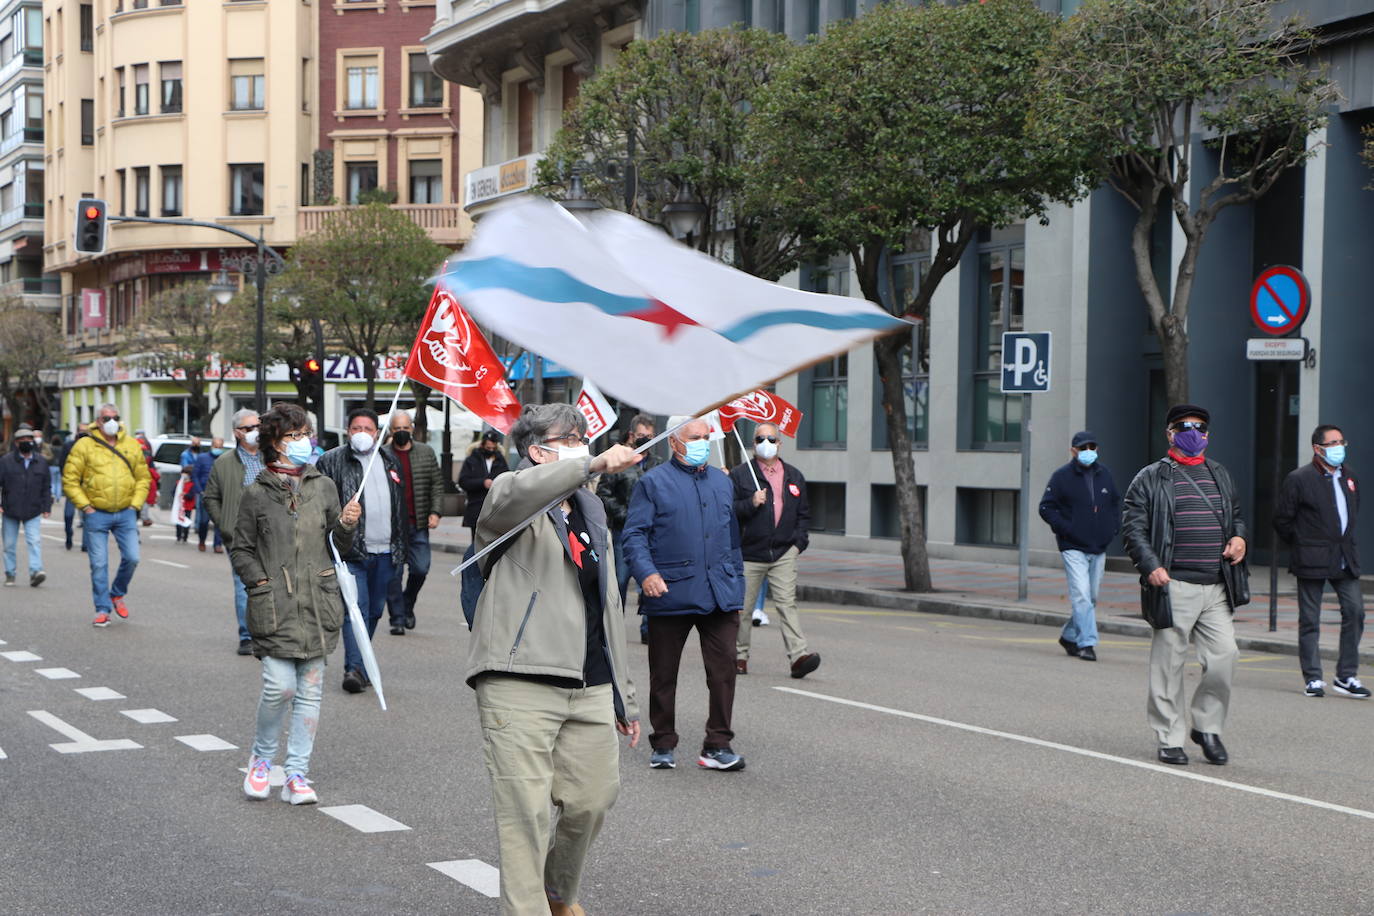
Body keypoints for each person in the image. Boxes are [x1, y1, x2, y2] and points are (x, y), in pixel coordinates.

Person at [467, 403, 641, 916]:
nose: (581, 443)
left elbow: (606, 606)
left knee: (592, 799)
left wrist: (623, 697)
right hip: (518, 678)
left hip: (588, 682)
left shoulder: (591, 510)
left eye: (583, 436)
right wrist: (589, 465)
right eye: (568, 438)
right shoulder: (508, 494)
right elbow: (519, 494)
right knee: (524, 815)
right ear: (536, 451)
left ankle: (556, 892)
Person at [233, 402, 362, 807]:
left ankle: (296, 774)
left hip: (317, 604)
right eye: (294, 435)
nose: (303, 442)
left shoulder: (322, 485)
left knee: (310, 691)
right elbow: (242, 548)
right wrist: (260, 583)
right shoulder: (256, 492)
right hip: (274, 607)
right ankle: (261, 760)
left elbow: (337, 546)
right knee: (279, 688)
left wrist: (346, 524)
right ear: (274, 442)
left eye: (305, 434)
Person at [1122, 404, 1248, 767]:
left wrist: (1239, 538)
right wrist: (1150, 566)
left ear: (1207, 435)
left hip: (1217, 586)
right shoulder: (1150, 477)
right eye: (1184, 426)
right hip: (1173, 583)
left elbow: (1236, 517)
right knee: (1168, 665)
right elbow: (1133, 528)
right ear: (1170, 434)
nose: (1193, 432)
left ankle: (1207, 727)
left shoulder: (1219, 473)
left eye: (1200, 427)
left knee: (1226, 656)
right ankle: (1169, 736)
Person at [622, 415, 746, 772]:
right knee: (664, 674)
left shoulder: (723, 484)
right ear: (674, 442)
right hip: (670, 591)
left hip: (720, 592)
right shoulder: (652, 483)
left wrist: (736, 579)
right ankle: (663, 743)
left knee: (724, 670)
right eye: (694, 437)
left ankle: (718, 745)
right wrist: (646, 573)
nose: (702, 443)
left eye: (706, 437)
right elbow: (634, 536)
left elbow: (732, 537)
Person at [1274, 424, 1369, 699]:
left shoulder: (1350, 477)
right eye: (1333, 443)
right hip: (1311, 558)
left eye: (1342, 441)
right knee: (1310, 619)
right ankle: (1313, 678)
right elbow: (1282, 520)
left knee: (1355, 612)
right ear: (1318, 449)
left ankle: (1346, 675)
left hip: (1344, 557)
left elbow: (1352, 512)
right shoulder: (1299, 478)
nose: (1340, 447)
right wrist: (1303, 542)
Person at [316, 407, 407, 694]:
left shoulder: (390, 460)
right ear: (347, 431)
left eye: (368, 429)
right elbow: (319, 505)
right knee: (356, 610)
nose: (362, 435)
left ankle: (361, 663)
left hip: (386, 551)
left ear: (378, 433)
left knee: (375, 611)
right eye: (357, 429)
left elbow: (400, 508)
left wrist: (401, 547)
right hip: (352, 551)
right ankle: (354, 668)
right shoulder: (331, 461)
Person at [729, 422, 818, 678]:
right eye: (759, 439)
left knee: (787, 604)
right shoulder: (741, 474)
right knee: (743, 608)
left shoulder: (794, 475)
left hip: (783, 551)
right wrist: (750, 502)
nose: (765, 443)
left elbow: (803, 513)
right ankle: (739, 656)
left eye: (770, 438)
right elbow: (729, 510)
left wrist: (798, 543)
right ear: (753, 443)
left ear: (779, 443)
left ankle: (798, 656)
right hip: (749, 552)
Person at [62, 403, 151, 627]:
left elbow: (143, 477)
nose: (111, 421)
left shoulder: (131, 444)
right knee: (99, 564)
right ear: (98, 421)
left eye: (115, 417)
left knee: (133, 557)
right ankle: (102, 609)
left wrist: (135, 505)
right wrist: (86, 507)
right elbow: (70, 480)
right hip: (96, 514)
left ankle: (117, 593)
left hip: (126, 513)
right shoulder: (84, 445)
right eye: (106, 418)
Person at [1038, 429, 1122, 662]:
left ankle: (1069, 635)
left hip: (1098, 546)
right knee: (1081, 596)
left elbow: (1115, 503)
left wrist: (1113, 528)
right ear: (1073, 451)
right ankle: (1087, 643)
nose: (1088, 452)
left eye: (1091, 447)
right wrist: (1066, 528)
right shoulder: (1061, 477)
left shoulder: (1104, 474)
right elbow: (1046, 507)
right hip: (1072, 546)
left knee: (1091, 596)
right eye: (1083, 448)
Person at [204, 409, 266, 656]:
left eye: (257, 426)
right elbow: (211, 497)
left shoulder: (271, 457)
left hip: (271, 533)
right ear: (237, 433)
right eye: (249, 428)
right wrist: (225, 524)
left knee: (271, 584)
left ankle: (269, 633)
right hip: (239, 535)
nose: (255, 432)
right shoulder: (224, 462)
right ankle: (247, 636)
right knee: (243, 586)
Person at [597, 414, 658, 642]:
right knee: (620, 581)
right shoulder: (618, 463)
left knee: (648, 582)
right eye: (642, 436)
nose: (646, 440)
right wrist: (625, 514)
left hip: (651, 533)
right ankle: (613, 629)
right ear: (632, 435)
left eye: (650, 437)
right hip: (623, 531)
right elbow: (603, 494)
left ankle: (648, 630)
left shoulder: (657, 463)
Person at [382, 410, 444, 635]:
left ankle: (408, 604)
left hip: (417, 523)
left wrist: (435, 511)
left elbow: (437, 485)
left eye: (405, 428)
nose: (401, 432)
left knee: (420, 568)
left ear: (412, 429)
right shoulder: (382, 455)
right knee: (393, 575)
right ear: (391, 431)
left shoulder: (426, 453)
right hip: (391, 527)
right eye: (397, 429)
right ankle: (397, 618)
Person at [459, 430, 510, 627]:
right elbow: (464, 481)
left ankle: (487, 568)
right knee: (475, 547)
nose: (490, 449)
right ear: (482, 445)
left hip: (494, 510)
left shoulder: (500, 460)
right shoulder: (472, 460)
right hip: (476, 508)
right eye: (487, 446)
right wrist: (482, 482)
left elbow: (507, 480)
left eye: (492, 447)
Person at [0, 424, 51, 587]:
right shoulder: (6, 461)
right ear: (16, 443)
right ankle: (10, 573)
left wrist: (46, 507)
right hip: (10, 509)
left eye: (29, 439)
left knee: (34, 541)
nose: (26, 442)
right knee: (9, 544)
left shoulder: (41, 462)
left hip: (33, 509)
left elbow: (46, 485)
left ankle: (36, 571)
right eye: (22, 440)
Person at [192, 436, 226, 553]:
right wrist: (199, 490)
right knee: (203, 521)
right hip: (205, 494)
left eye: (220, 447)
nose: (218, 449)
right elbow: (195, 475)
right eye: (216, 446)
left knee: (220, 521)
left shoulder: (225, 459)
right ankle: (202, 540)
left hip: (221, 495)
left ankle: (218, 544)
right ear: (212, 446)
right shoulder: (202, 458)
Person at [59, 431, 88, 551]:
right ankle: (69, 534)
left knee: (87, 515)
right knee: (68, 515)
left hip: (87, 486)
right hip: (72, 485)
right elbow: (62, 463)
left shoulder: (92, 448)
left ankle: (86, 544)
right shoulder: (68, 446)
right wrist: (67, 480)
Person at [174, 468, 195, 542]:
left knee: (187, 521)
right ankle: (178, 536)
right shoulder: (178, 483)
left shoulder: (192, 484)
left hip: (187, 506)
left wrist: (185, 494)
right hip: (179, 506)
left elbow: (191, 495)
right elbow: (173, 492)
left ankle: (185, 536)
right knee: (178, 522)